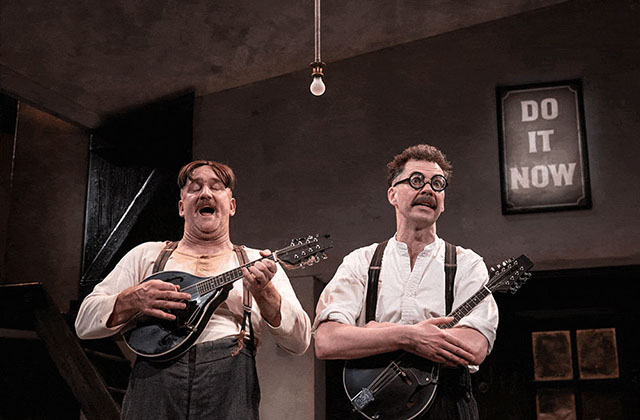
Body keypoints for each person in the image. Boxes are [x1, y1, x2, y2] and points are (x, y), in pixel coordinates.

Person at [75, 160, 311, 420]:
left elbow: (300, 342)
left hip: (230, 388)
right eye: (194, 188)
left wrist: (265, 293)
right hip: (154, 384)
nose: (205, 194)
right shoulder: (147, 256)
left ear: (231, 206)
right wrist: (132, 299)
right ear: (181, 207)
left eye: (216, 187)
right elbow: (84, 323)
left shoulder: (257, 262)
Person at [313, 144, 498, 419]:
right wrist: (407, 336)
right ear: (392, 195)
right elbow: (327, 341)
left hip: (447, 404)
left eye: (437, 183)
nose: (428, 190)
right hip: (377, 403)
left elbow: (474, 346)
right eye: (415, 181)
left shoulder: (466, 263)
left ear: (443, 200)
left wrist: (373, 332)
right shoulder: (361, 262)